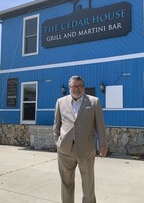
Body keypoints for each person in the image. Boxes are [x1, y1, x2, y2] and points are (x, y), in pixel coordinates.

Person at [53, 75, 108, 203]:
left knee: (88, 184)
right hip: (65, 150)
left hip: (86, 150)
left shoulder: (94, 102)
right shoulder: (60, 102)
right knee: (66, 184)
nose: (76, 88)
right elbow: (56, 125)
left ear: (84, 87)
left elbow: (100, 125)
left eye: (80, 86)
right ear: (69, 87)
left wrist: (103, 144)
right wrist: (58, 142)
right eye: (74, 86)